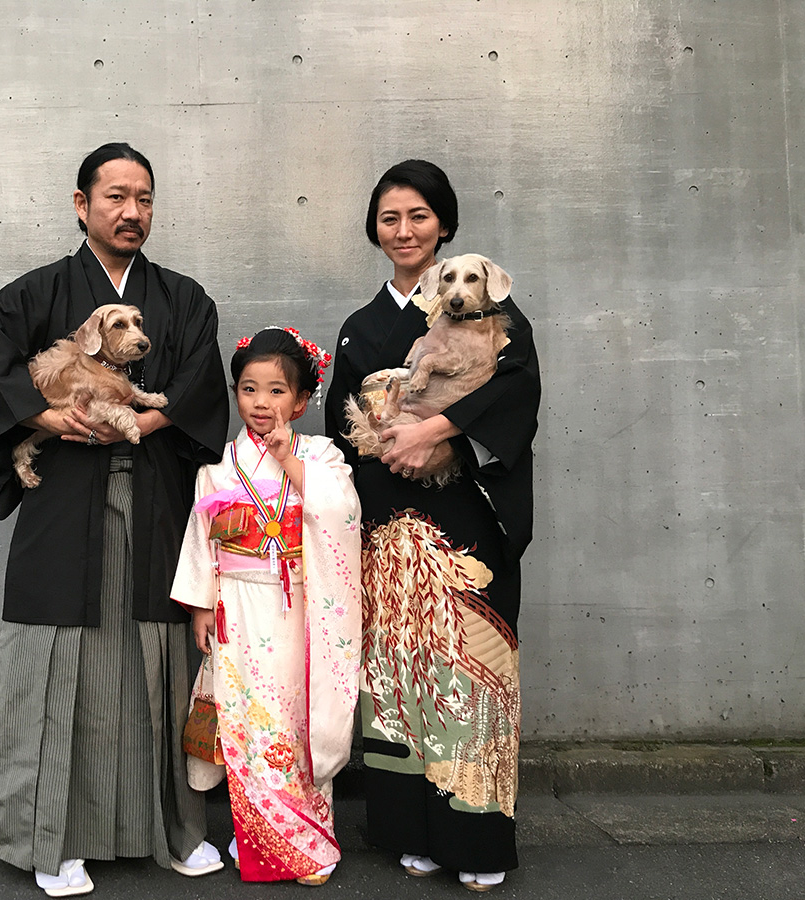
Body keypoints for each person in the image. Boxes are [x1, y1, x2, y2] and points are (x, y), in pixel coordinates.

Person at [0, 142, 230, 897]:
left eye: (143, 198)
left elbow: (197, 384)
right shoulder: (33, 293)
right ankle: (52, 843)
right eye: (115, 196)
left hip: (154, 495)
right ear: (82, 205)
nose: (130, 211)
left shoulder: (183, 299)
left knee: (159, 662)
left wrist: (140, 424)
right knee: (54, 666)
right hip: (63, 499)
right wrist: (51, 418)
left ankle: (175, 832)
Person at [323, 160, 541, 893]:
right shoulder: (360, 328)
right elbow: (341, 430)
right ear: (375, 230)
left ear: (444, 224)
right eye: (390, 218)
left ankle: (475, 835)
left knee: (467, 673)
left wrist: (437, 432)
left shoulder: (492, 315)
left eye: (419, 215)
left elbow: (517, 396)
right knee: (397, 677)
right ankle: (404, 829)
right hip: (388, 527)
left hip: (465, 522)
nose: (405, 230)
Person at [170, 327, 362, 887]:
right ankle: (258, 834)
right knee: (247, 719)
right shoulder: (220, 463)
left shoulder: (318, 454)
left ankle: (309, 843)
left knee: (299, 719)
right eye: (249, 389)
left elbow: (343, 513)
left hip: (302, 607)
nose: (261, 402)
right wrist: (201, 605)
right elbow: (201, 537)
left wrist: (288, 460)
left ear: (301, 401)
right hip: (239, 605)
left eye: (277, 391)